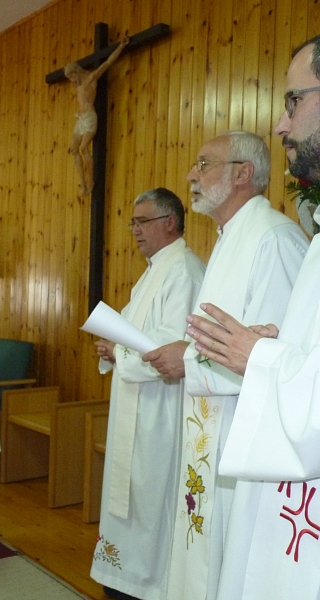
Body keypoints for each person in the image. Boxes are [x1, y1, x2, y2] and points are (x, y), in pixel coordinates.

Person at [142, 131, 308, 600]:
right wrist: (187, 352)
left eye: (204, 164)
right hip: (211, 432)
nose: (191, 175)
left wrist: (188, 359)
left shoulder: (273, 239)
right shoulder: (232, 236)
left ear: (243, 173)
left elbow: (272, 353)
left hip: (241, 441)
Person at [184, 36, 320, 600]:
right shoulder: (233, 238)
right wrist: (283, 345)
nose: (282, 125)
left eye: (294, 101)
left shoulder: (274, 236)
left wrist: (258, 356)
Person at [90, 188, 205, 600]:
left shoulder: (185, 271)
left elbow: (172, 345)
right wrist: (113, 348)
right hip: (135, 409)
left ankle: (148, 586)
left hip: (161, 412)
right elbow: (136, 335)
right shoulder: (156, 270)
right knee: (131, 503)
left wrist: (120, 352)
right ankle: (124, 582)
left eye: (142, 222)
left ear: (170, 222)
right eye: (133, 222)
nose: (134, 230)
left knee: (152, 502)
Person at [65, 35, 130, 196]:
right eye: (69, 78)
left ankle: (90, 180)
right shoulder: (78, 84)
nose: (71, 80)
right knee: (73, 149)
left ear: (76, 71)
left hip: (90, 118)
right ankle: (82, 183)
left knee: (83, 148)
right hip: (80, 119)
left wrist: (120, 46)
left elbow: (107, 63)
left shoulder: (90, 78)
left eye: (72, 76)